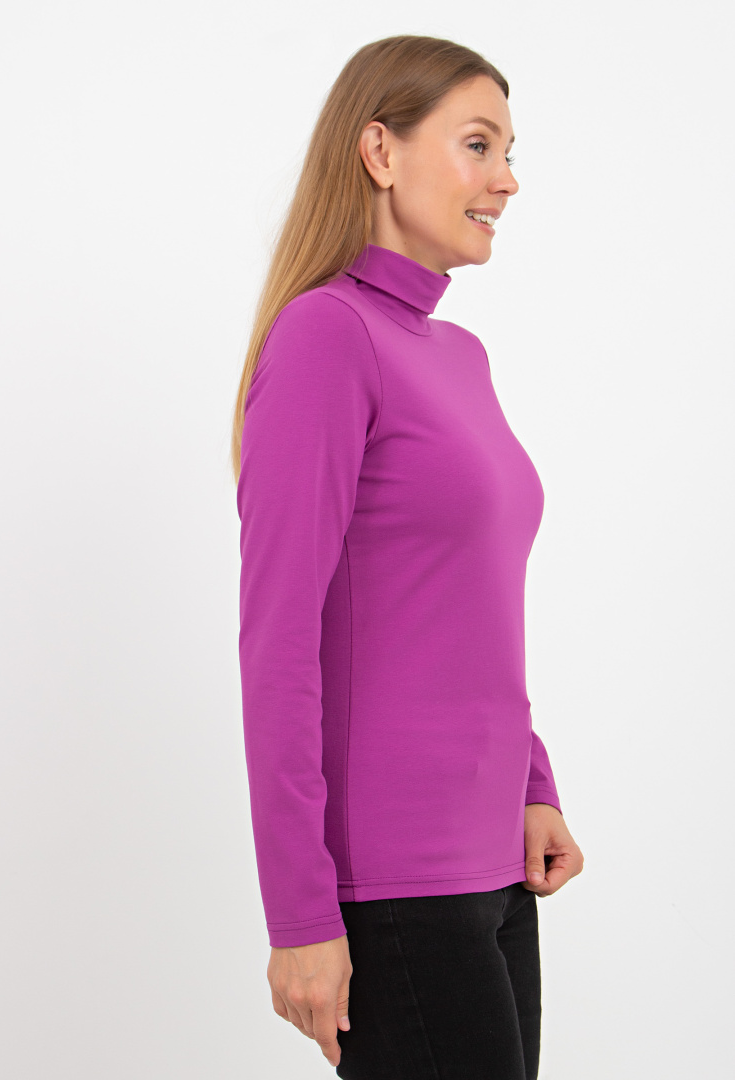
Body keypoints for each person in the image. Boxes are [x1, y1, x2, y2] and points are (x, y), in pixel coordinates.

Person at [230, 34, 584, 1080]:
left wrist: (532, 781)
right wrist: (300, 913)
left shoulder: (459, 356)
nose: (506, 180)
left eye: (510, 152)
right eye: (478, 145)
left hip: (494, 865)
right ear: (380, 151)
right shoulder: (326, 336)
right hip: (393, 886)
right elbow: (278, 642)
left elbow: (465, 614)